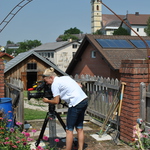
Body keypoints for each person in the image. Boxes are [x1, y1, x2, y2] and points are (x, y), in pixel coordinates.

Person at [42, 67, 88, 150]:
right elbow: (79, 85)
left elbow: (56, 101)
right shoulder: (65, 78)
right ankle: (80, 148)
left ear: (51, 77)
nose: (47, 83)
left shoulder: (55, 84)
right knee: (79, 128)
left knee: (69, 130)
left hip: (75, 103)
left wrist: (47, 100)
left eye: (47, 81)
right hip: (84, 100)